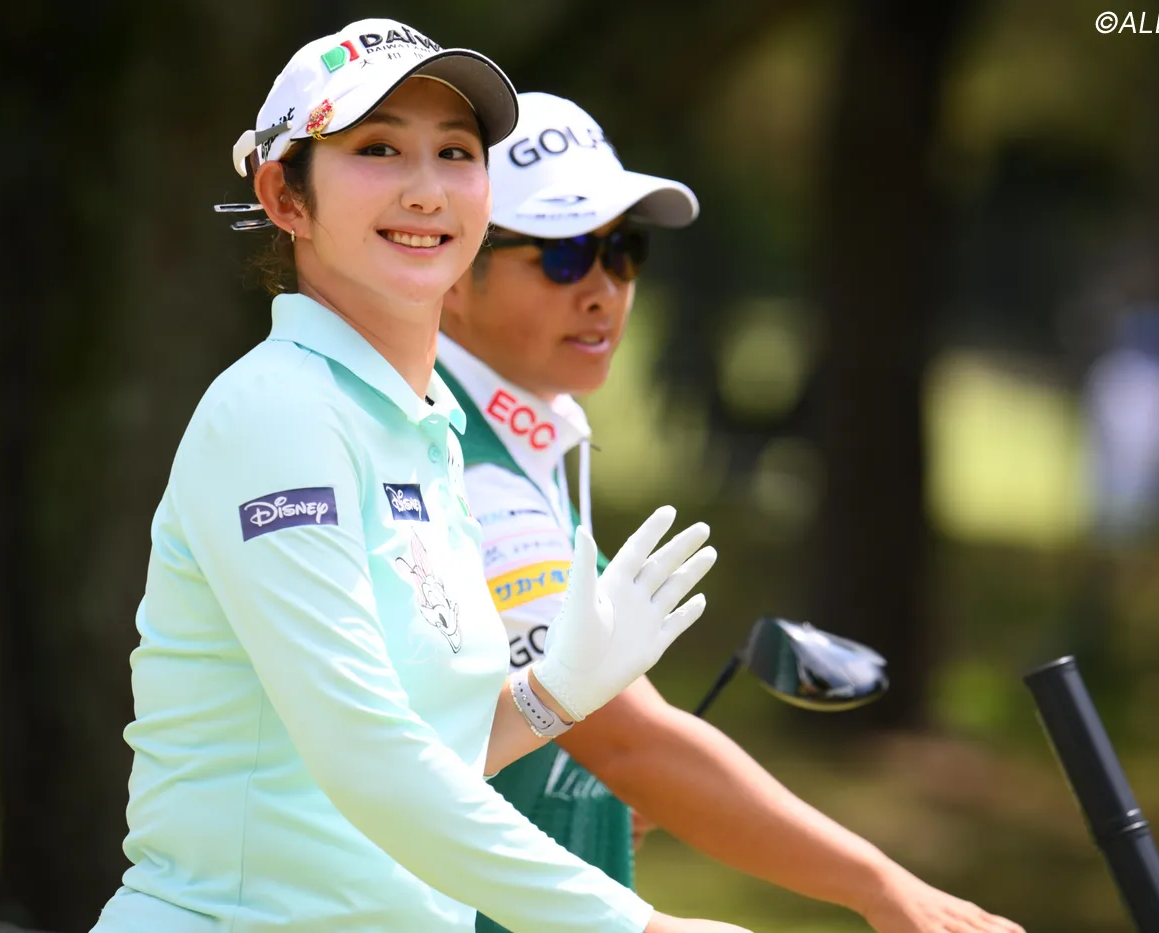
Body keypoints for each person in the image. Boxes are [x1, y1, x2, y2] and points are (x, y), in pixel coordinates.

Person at [90, 20, 748, 933]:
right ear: (284, 195)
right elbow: (368, 758)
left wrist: (552, 692)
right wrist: (632, 925)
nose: (427, 189)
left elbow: (429, 757)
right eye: (378, 148)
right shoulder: (280, 413)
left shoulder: (424, 428)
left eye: (456, 152)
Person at [438, 91, 1027, 933]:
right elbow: (632, 741)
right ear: (454, 270)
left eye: (625, 251)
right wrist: (884, 887)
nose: (605, 290)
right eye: (565, 255)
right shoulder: (472, 469)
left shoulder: (522, 432)